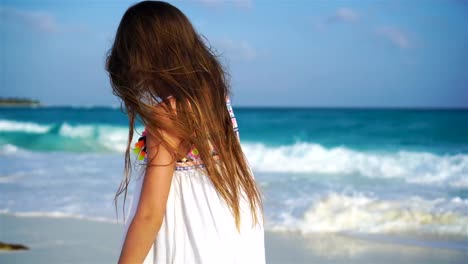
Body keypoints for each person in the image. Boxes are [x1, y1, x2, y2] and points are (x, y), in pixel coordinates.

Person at [104, 1, 265, 263]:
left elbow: (150, 216)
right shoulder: (215, 100)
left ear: (142, 59)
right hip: (227, 233)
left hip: (188, 239)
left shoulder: (167, 115)